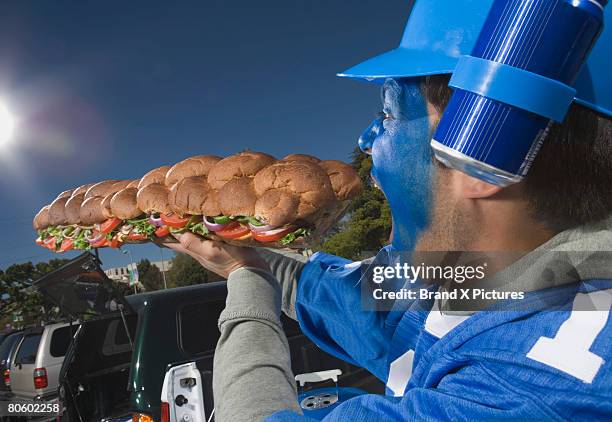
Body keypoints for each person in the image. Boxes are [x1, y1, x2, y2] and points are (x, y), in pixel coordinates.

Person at [166, 1, 612, 420]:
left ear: (481, 147)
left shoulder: (538, 393)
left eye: (390, 113)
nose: (367, 139)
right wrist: (244, 258)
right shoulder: (508, 277)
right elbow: (351, 300)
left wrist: (247, 291)